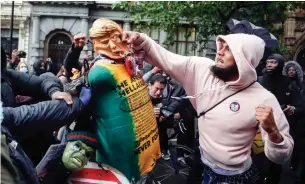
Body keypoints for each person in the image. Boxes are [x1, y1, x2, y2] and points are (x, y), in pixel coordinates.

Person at [123, 31, 294, 183]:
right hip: (202, 166)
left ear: (245, 59)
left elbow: (281, 156)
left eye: (228, 50)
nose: (219, 52)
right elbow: (165, 58)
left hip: (235, 178)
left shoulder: (264, 99)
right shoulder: (202, 69)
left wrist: (272, 132)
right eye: (222, 46)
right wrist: (140, 40)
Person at [256, 54, 304, 184]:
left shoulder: (289, 84)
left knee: (275, 165)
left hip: (281, 129)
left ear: (280, 64)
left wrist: (292, 109)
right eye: (268, 62)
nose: (269, 64)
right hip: (259, 130)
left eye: (273, 62)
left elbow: (301, 107)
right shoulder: (258, 81)